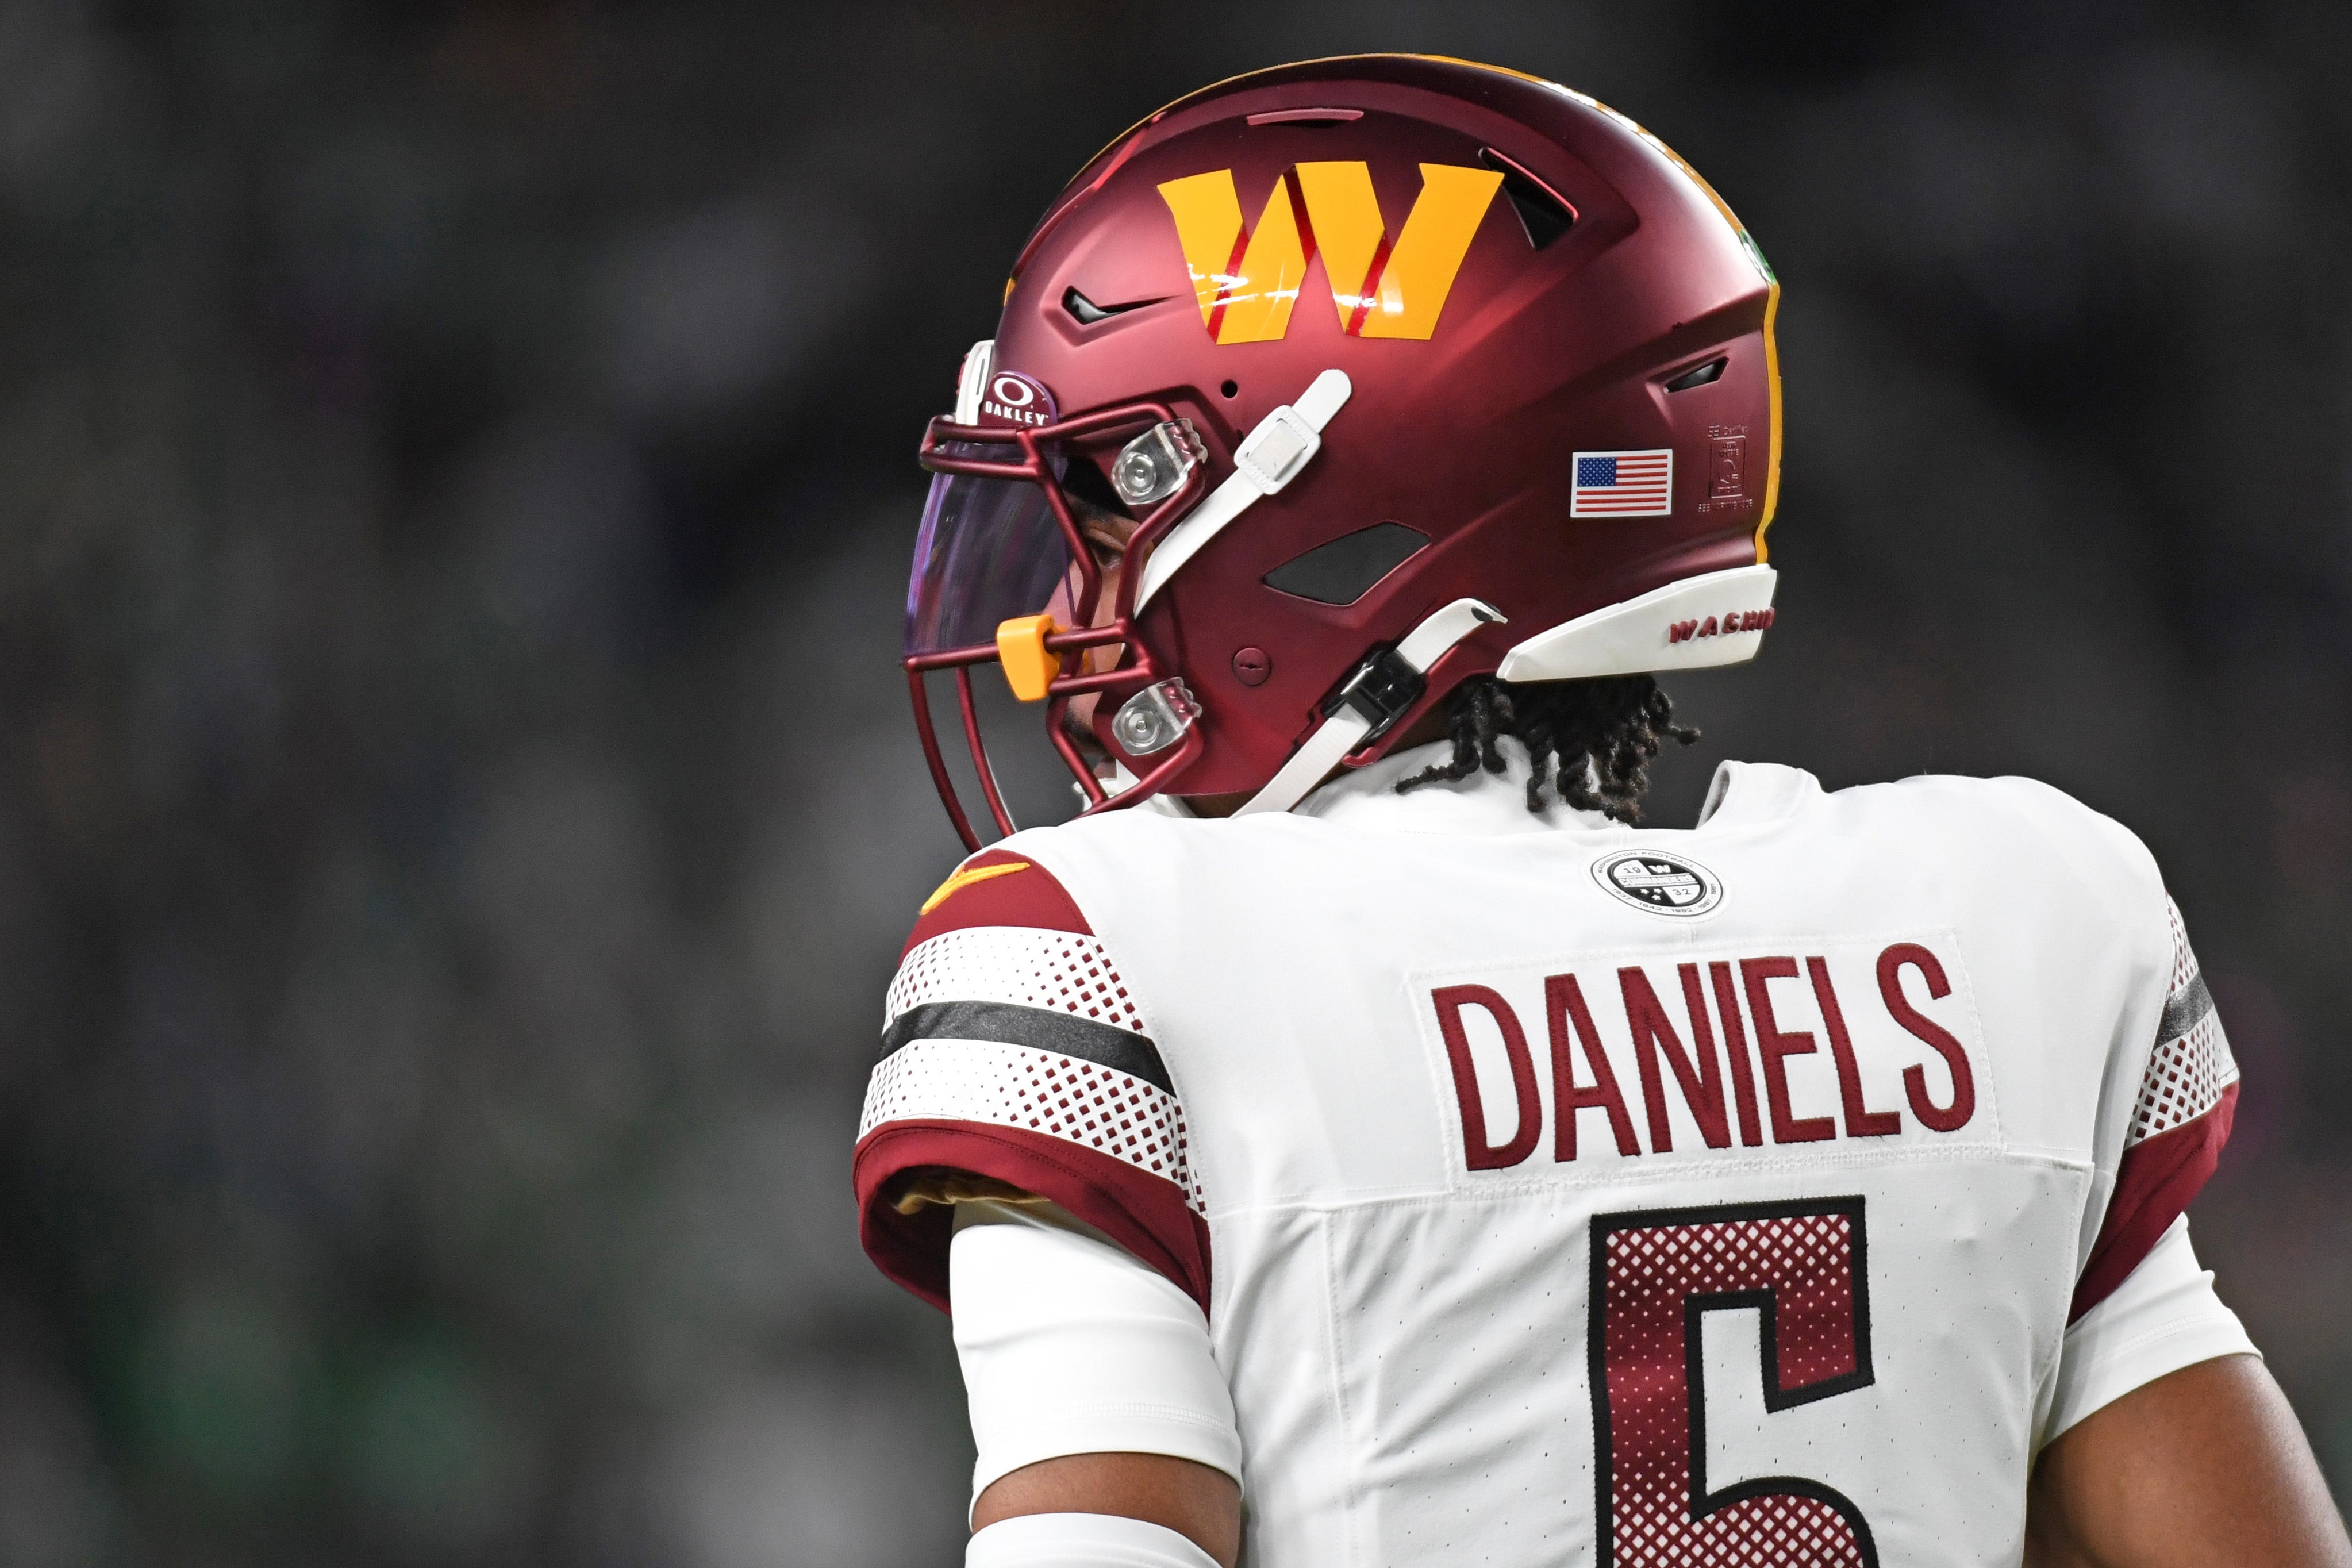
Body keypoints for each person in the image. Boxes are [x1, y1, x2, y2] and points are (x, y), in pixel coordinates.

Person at [852, 55, 2352, 1568]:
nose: (1062, 599)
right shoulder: (2012, 916)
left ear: (1340, 498)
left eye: (1112, 494)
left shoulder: (1101, 956)